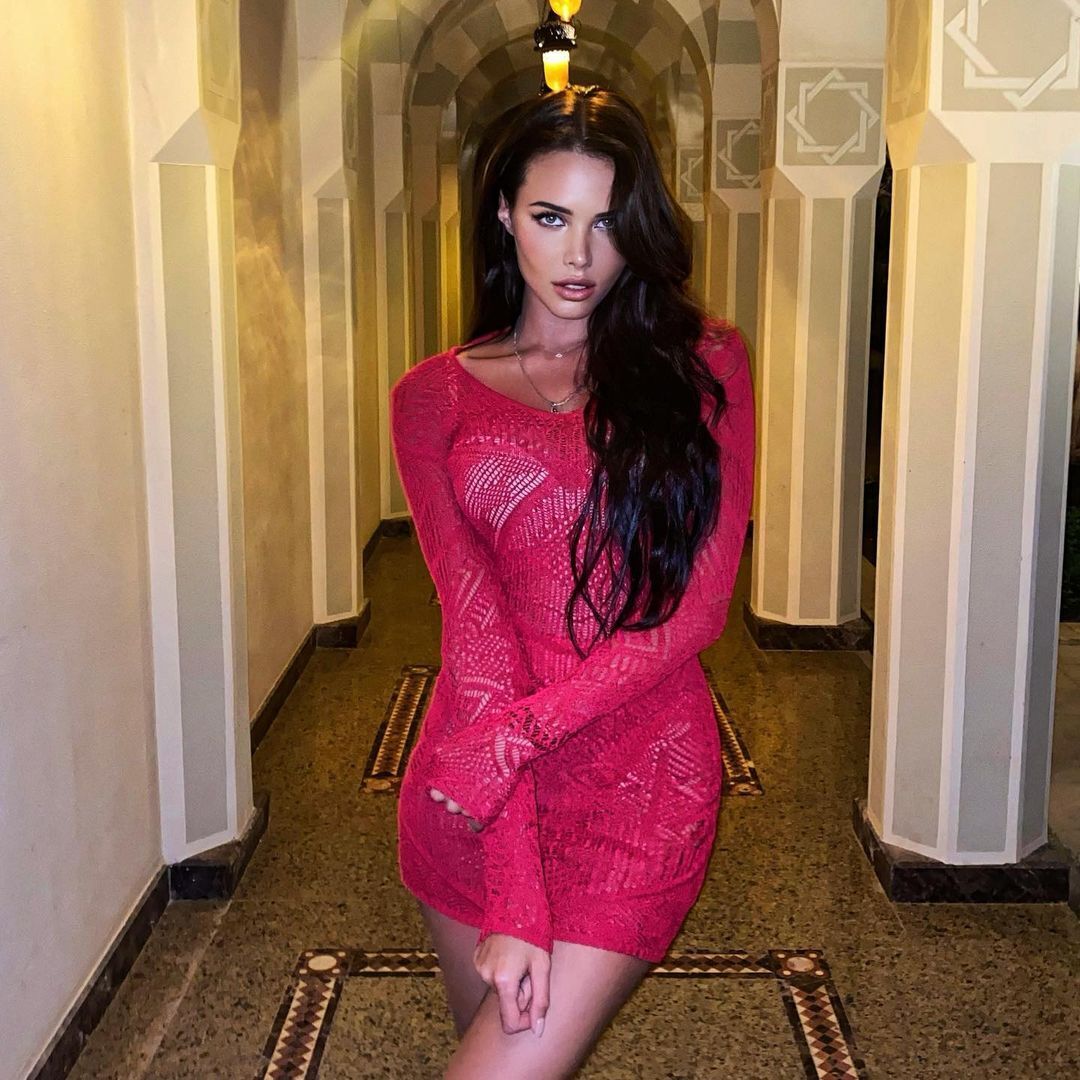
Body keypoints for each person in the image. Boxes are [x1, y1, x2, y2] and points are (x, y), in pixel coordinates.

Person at [389, 84, 756, 1078]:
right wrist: (514, 887)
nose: (582, 255)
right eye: (552, 217)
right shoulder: (431, 397)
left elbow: (697, 611)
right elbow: (474, 631)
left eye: (609, 222)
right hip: (478, 795)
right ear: (504, 214)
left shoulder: (704, 366)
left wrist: (517, 738)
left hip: (641, 778)